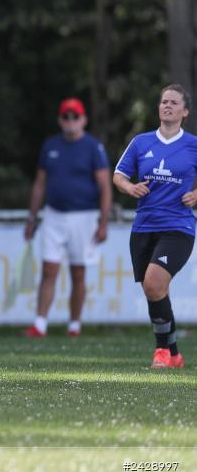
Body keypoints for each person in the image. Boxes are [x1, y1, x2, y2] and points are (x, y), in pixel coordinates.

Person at [114, 84, 197, 369]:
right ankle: (174, 353)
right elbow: (119, 175)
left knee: (154, 283)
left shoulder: (193, 145)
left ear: (185, 111)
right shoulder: (141, 142)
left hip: (179, 227)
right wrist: (129, 187)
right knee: (155, 290)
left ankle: (161, 351)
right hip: (144, 227)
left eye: (174, 103)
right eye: (164, 102)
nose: (168, 106)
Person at [22, 98, 112, 338]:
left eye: (75, 117)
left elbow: (105, 186)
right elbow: (39, 184)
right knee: (49, 269)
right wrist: (32, 218)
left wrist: (103, 222)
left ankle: (74, 325)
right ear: (60, 120)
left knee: (78, 272)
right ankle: (40, 324)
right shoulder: (50, 146)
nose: (70, 121)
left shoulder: (93, 147)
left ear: (83, 120)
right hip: (53, 215)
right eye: (66, 117)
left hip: (84, 216)